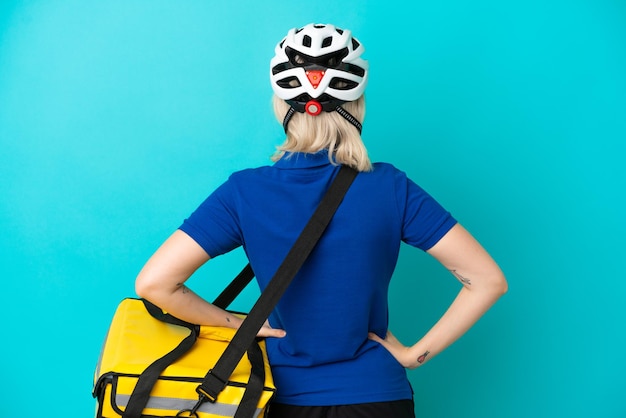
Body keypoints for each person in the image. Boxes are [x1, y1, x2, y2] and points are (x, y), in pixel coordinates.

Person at [135, 23, 508, 418]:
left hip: (283, 398)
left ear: (281, 105)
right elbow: (487, 280)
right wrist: (415, 355)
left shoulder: (243, 192)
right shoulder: (390, 187)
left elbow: (155, 284)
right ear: (357, 104)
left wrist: (234, 322)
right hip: (378, 396)